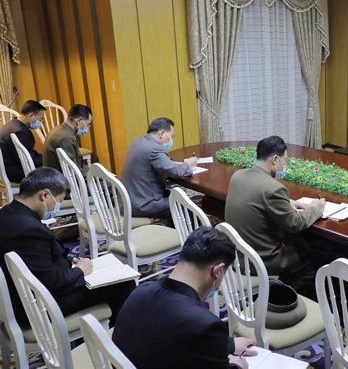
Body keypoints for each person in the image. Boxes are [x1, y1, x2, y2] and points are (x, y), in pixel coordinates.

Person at [0, 167, 134, 326]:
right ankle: (118, 341)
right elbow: (51, 282)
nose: (58, 207)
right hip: (37, 307)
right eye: (60, 200)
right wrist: (79, 271)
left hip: (20, 294)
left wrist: (68, 260)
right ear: (44, 195)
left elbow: (37, 260)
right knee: (123, 283)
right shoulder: (29, 229)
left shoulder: (7, 212)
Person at [113, 227, 255, 369]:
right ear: (217, 272)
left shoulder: (141, 290)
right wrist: (237, 365)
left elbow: (166, 334)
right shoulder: (207, 324)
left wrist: (228, 344)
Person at [225, 135, 325, 297]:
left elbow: (257, 194)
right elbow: (295, 224)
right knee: (310, 259)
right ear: (275, 159)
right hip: (260, 260)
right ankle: (282, 297)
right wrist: (316, 209)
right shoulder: (274, 188)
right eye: (284, 161)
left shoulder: (238, 175)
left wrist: (287, 201)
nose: (284, 165)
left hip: (236, 255)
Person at [121, 117, 197, 219]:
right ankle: (185, 233)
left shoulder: (137, 142)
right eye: (171, 136)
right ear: (162, 133)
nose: (171, 140)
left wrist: (174, 163)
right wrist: (188, 164)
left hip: (130, 200)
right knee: (186, 206)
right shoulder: (154, 149)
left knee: (175, 197)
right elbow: (177, 172)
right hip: (143, 204)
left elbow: (154, 163)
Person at [0, 100, 46, 182]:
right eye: (41, 119)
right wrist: (47, 159)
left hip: (7, 168)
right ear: (31, 115)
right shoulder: (19, 131)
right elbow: (26, 159)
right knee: (53, 172)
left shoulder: (12, 124)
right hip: (14, 171)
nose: (41, 123)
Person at [43, 104, 92, 176]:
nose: (87, 128)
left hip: (55, 175)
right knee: (109, 183)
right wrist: (95, 173)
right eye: (87, 124)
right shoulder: (65, 138)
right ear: (79, 121)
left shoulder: (58, 130)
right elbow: (74, 171)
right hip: (61, 180)